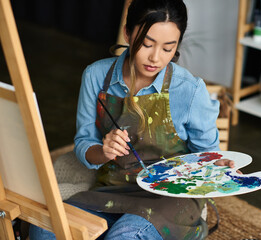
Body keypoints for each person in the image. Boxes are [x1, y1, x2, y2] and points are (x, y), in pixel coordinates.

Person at [29, 0, 237, 239]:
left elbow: (208, 155)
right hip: (113, 189)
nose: (155, 58)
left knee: (125, 236)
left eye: (168, 48)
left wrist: (219, 165)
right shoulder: (96, 76)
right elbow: (85, 143)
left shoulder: (190, 90)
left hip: (170, 197)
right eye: (146, 44)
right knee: (45, 227)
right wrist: (103, 151)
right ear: (128, 34)